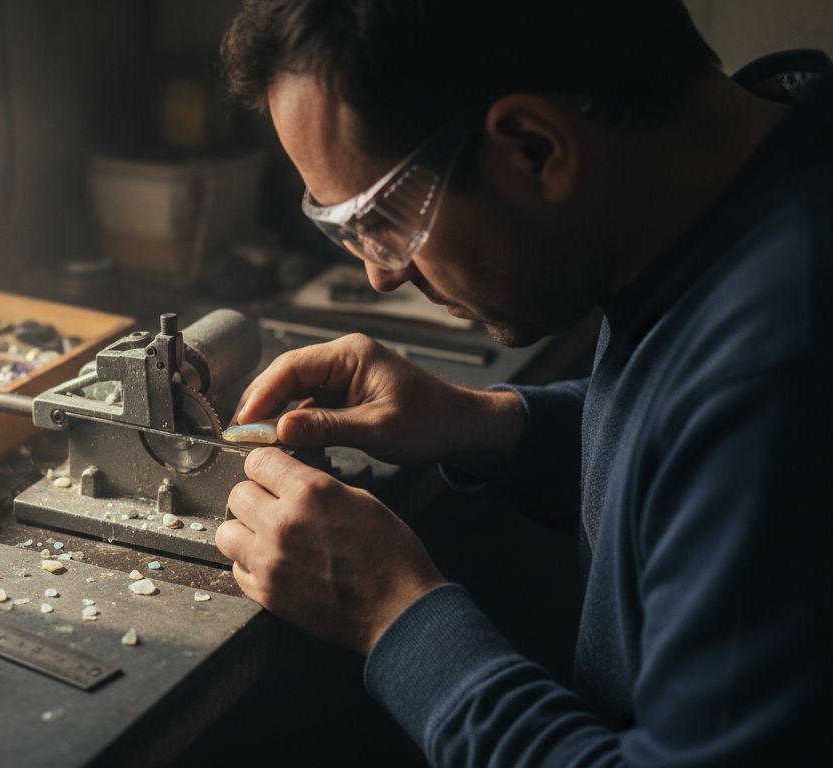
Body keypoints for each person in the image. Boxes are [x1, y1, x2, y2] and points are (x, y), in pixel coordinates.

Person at [215, 1, 832, 765]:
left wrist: (391, 612)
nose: (380, 273)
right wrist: (487, 425)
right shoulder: (747, 181)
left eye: (384, 219)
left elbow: (743, 442)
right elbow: (691, 468)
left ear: (535, 149)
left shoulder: (781, 366)